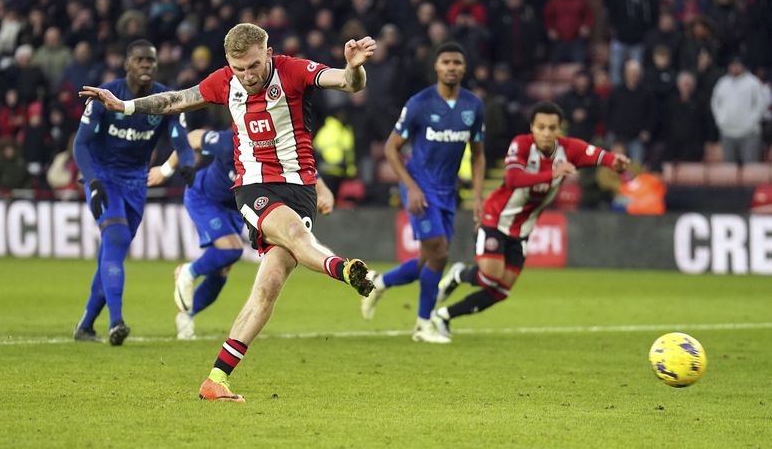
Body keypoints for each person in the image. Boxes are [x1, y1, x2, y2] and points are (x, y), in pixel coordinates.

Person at [80, 23, 376, 402]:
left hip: (299, 188)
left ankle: (216, 379)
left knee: (267, 289)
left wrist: (354, 67)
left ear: (268, 53)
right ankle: (345, 269)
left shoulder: (294, 71)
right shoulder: (224, 81)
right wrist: (125, 106)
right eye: (239, 69)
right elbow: (174, 100)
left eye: (254, 65)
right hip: (254, 187)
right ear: (228, 64)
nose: (248, 76)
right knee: (300, 240)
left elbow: (349, 83)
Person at [431, 102, 629, 340]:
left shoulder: (569, 150)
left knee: (500, 290)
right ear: (532, 127)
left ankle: (443, 316)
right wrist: (552, 173)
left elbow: (597, 155)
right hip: (495, 218)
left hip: (522, 230)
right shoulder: (521, 144)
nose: (546, 133)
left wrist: (614, 162)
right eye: (541, 127)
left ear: (559, 130)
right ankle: (459, 275)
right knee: (490, 277)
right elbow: (513, 178)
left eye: (552, 128)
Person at [148, 128, 336, 340]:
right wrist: (165, 170)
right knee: (232, 250)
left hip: (235, 209)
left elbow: (313, 177)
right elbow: (192, 138)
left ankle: (186, 315)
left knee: (221, 271)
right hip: (205, 198)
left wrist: (326, 195)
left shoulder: (279, 150)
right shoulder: (230, 142)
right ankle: (188, 271)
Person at [360, 42, 485, 344]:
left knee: (425, 262)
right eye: (446, 62)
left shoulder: (473, 106)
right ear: (437, 67)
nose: (452, 67)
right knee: (440, 253)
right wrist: (411, 187)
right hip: (419, 187)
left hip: (447, 190)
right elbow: (391, 148)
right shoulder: (419, 103)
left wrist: (478, 197)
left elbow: (478, 154)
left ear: (464, 68)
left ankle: (379, 282)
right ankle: (423, 325)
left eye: (457, 62)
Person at [72, 39, 195, 346]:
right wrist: (93, 182)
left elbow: (180, 139)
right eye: (139, 60)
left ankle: (86, 326)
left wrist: (188, 164)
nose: (146, 66)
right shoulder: (104, 96)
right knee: (114, 240)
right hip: (104, 179)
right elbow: (80, 144)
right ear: (126, 64)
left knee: (111, 253)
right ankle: (116, 322)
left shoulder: (166, 98)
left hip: (136, 184)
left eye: (151, 61)